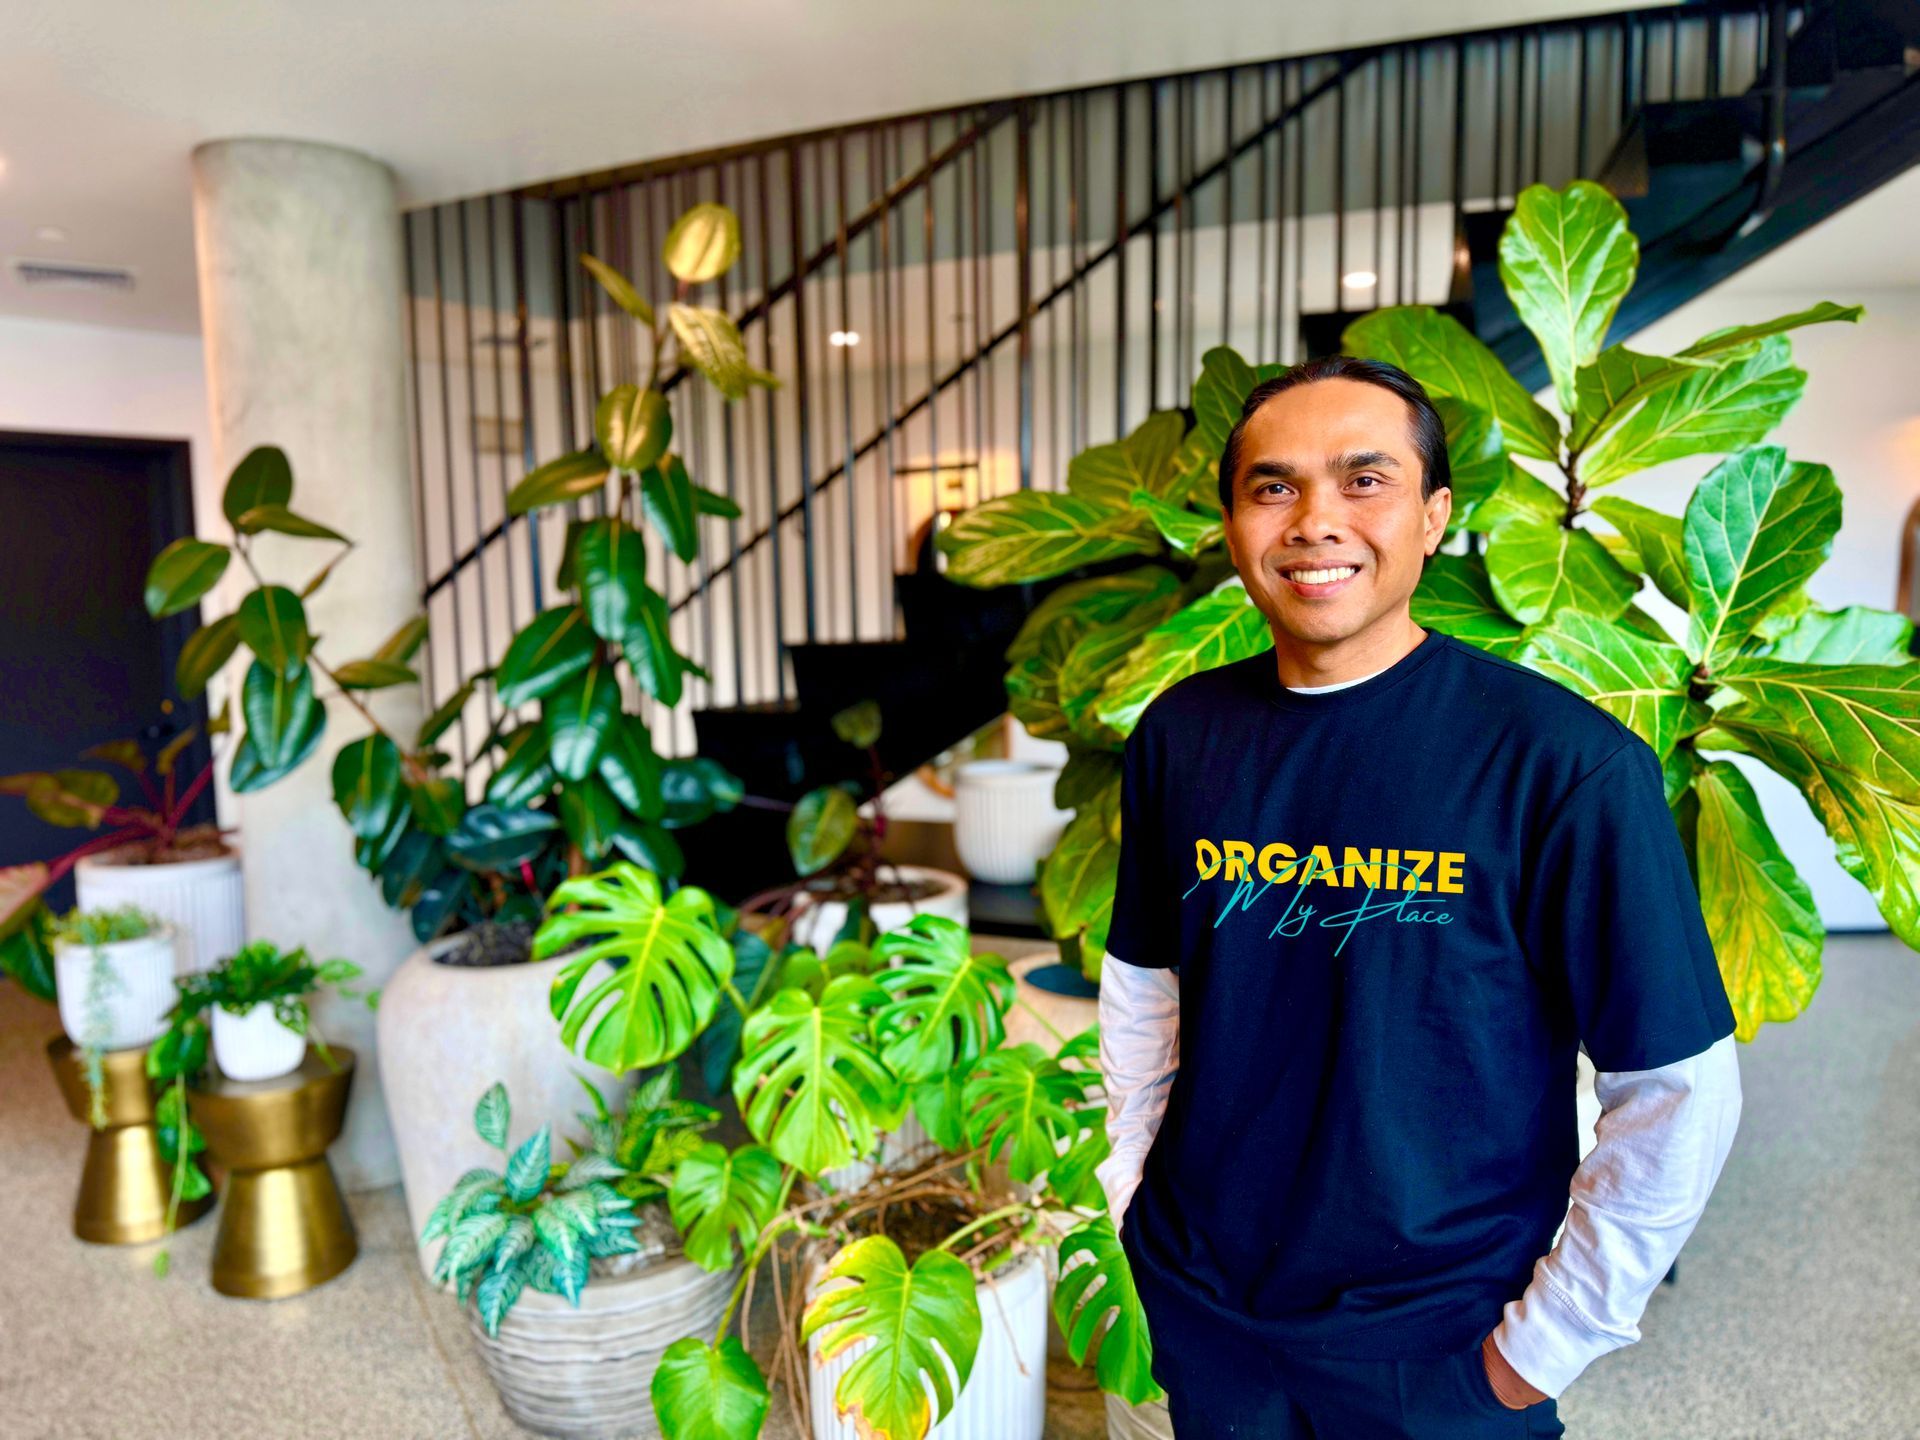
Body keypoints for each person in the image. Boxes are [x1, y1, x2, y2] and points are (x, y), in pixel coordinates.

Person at [1095, 355, 1743, 1438]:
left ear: (1435, 516)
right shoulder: (1181, 735)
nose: (1314, 521)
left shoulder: (1562, 764)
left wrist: (1531, 1357)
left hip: (1441, 1348)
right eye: (1274, 486)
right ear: (1231, 522)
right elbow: (1141, 998)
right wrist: (1126, 1224)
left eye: (1365, 480)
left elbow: (1679, 1088)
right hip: (1201, 1317)